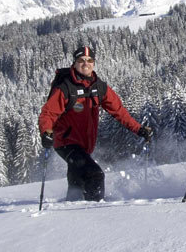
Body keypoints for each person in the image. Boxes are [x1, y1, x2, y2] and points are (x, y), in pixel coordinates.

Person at [38, 46, 152, 201]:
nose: (86, 64)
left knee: (77, 184)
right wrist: (46, 132)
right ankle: (94, 211)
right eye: (81, 60)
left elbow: (118, 111)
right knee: (95, 175)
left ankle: (71, 212)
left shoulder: (98, 87)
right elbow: (48, 113)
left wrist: (139, 129)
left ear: (94, 62)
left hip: (85, 145)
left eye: (89, 60)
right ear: (75, 63)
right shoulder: (65, 88)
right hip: (66, 142)